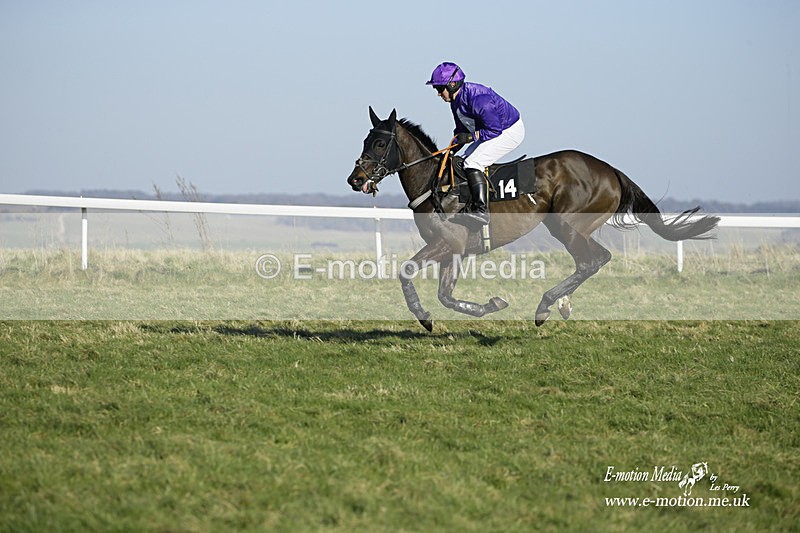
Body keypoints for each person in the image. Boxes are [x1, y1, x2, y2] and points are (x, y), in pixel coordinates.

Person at [426, 61, 525, 230]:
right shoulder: (455, 101)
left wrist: (471, 137)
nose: (438, 93)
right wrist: (451, 150)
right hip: (491, 130)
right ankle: (470, 201)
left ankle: (481, 211)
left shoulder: (480, 100)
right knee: (460, 161)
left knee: (473, 163)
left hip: (508, 131)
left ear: (452, 85)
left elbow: (494, 130)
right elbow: (461, 130)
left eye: (439, 89)